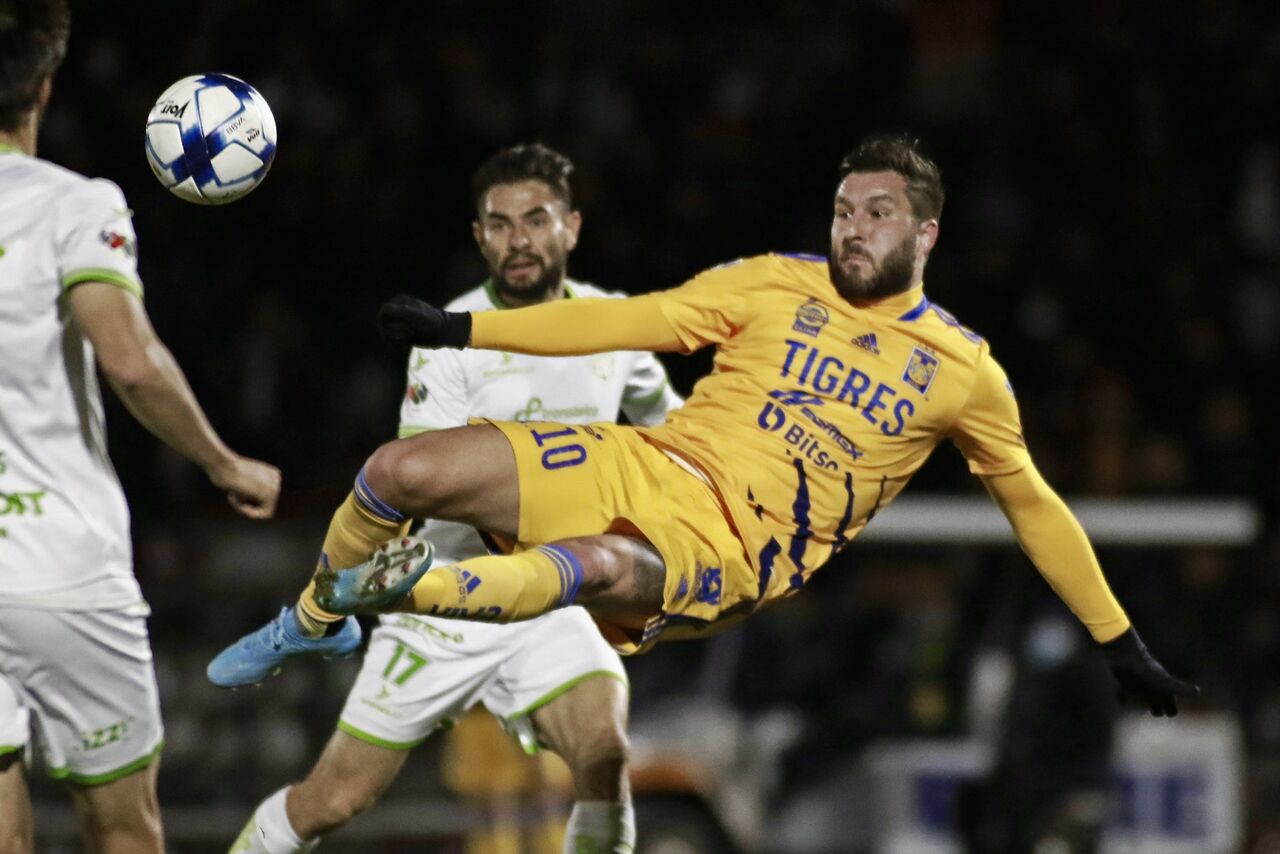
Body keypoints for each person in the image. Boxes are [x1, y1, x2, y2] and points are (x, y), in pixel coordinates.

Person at [211, 133, 1197, 737]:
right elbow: (627, 319)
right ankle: (319, 616)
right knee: (400, 468)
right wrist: (462, 329)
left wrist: (1118, 639)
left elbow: (1032, 506)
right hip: (648, 459)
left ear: (925, 234)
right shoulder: (773, 279)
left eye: (878, 213)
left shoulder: (961, 370)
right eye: (843, 209)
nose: (853, 227)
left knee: (593, 565)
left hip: (735, 544)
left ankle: (402, 588)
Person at [220, 143, 681, 853]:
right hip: (444, 601)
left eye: (535, 220)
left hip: (551, 601)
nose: (518, 239)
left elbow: (674, 435)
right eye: (499, 224)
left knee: (604, 754)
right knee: (332, 800)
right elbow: (429, 484)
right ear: (479, 236)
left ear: (572, 228)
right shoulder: (449, 335)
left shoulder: (615, 326)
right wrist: (560, 490)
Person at [0, 2, 282, 852]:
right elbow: (130, 362)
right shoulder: (74, 205)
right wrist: (224, 463)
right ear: (45, 86)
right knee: (123, 827)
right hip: (62, 566)